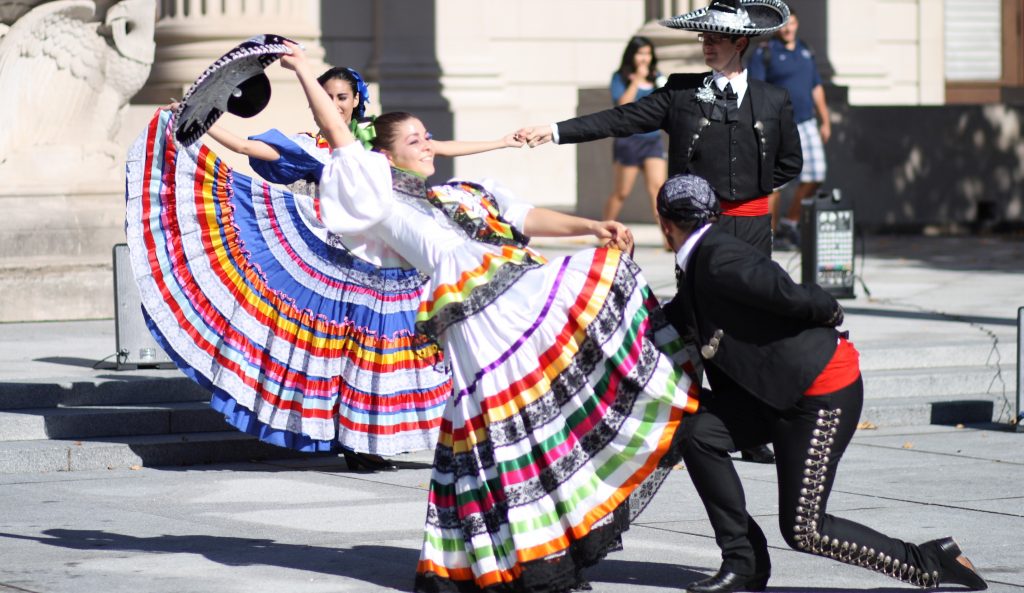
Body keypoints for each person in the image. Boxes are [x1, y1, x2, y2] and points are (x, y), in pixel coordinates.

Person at [283, 41, 702, 592]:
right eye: (414, 140)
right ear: (384, 157)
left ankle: (558, 536)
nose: (427, 144)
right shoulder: (379, 198)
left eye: (427, 135)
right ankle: (522, 555)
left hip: (512, 305)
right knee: (500, 437)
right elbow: (340, 137)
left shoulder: (463, 193)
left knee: (545, 418)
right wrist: (304, 72)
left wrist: (590, 226)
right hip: (475, 325)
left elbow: (524, 215)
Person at [126, 42, 456, 473]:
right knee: (339, 355)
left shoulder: (380, 148)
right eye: (329, 97)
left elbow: (441, 147)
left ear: (357, 100)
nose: (337, 105)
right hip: (329, 255)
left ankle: (379, 437)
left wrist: (503, 141)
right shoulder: (322, 148)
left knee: (391, 355)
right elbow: (249, 148)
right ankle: (355, 443)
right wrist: (197, 122)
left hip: (383, 264)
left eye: (343, 97)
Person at [656, 173, 988, 593]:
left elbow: (783, 289)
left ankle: (930, 562)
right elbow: (673, 319)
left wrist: (828, 312)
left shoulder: (719, 258)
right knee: (698, 432)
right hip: (774, 391)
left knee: (805, 529)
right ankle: (745, 562)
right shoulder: (702, 260)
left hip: (820, 393)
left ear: (664, 223)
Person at [518, 0, 798, 465]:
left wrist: (749, 189)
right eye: (703, 37)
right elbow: (619, 119)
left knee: (748, 324)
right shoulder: (681, 92)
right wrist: (554, 130)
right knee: (696, 321)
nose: (706, 45)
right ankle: (676, 419)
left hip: (751, 226)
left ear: (740, 43)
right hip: (699, 231)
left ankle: (746, 425)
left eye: (715, 38)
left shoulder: (773, 99)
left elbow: (791, 162)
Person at [748, 7, 830, 249]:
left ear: (797, 24)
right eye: (783, 24)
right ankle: (769, 235)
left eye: (791, 23)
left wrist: (825, 120)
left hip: (807, 123)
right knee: (775, 184)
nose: (788, 28)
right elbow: (756, 90)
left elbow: (816, 86)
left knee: (816, 175)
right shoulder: (765, 52)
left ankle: (789, 223)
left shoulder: (806, 50)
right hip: (778, 125)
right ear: (776, 27)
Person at [603, 36, 668, 224]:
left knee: (658, 190)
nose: (644, 58)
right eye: (641, 53)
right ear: (632, 55)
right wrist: (637, 80)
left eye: (648, 53)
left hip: (652, 139)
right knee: (622, 192)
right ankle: (604, 228)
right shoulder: (620, 77)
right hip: (629, 141)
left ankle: (668, 238)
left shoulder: (657, 76)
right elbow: (622, 104)